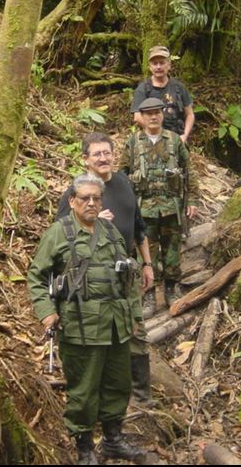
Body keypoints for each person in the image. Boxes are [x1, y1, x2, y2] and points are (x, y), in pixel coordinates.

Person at [28, 174, 146, 465]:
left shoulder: (111, 231)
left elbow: (129, 276)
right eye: (85, 198)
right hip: (81, 326)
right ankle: (84, 448)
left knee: (118, 384)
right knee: (83, 389)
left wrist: (134, 315)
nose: (92, 203)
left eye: (96, 198)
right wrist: (46, 312)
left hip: (116, 326)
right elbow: (36, 276)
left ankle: (113, 439)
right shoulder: (59, 233)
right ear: (72, 201)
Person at [56, 132, 156, 407]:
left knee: (136, 330)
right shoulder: (77, 192)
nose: (103, 158)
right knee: (100, 334)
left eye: (107, 152)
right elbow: (60, 233)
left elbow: (139, 227)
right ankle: (99, 396)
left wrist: (147, 264)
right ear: (85, 159)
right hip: (92, 276)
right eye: (97, 154)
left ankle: (141, 397)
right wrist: (91, 219)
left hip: (126, 272)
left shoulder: (124, 182)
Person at [119, 98, 199, 307]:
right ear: (142, 117)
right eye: (148, 113)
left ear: (163, 115)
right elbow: (122, 175)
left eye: (157, 112)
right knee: (147, 253)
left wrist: (192, 200)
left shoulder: (174, 141)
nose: (153, 117)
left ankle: (172, 288)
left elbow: (189, 172)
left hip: (171, 206)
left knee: (172, 250)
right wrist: (125, 206)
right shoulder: (133, 142)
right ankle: (149, 293)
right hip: (144, 209)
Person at [130, 45, 195, 143]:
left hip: (177, 139)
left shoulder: (179, 87)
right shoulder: (143, 89)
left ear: (169, 65)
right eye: (155, 63)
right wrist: (159, 134)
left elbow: (189, 114)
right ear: (150, 67)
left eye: (162, 63)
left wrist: (184, 135)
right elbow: (137, 117)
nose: (158, 67)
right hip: (152, 140)